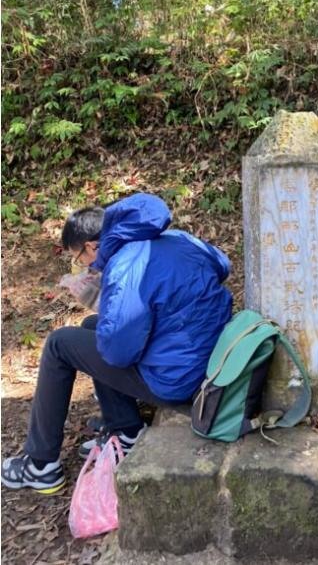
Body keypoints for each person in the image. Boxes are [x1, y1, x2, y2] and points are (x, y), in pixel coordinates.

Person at [1, 192, 233, 494]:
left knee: (60, 344)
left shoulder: (125, 266)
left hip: (178, 380)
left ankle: (40, 464)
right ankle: (126, 430)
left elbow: (117, 352)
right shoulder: (176, 238)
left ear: (91, 246)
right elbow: (222, 265)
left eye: (79, 259)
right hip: (208, 358)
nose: (84, 266)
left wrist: (102, 300)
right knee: (90, 327)